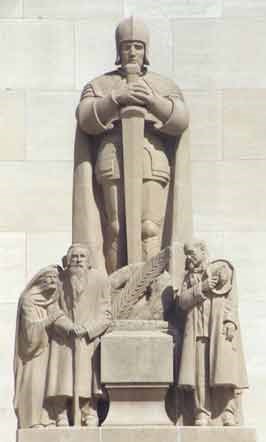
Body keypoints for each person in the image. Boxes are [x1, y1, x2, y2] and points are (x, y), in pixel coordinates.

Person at [73, 16, 190, 274]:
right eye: (126, 46)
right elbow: (85, 118)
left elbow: (180, 119)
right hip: (112, 158)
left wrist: (152, 100)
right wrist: (116, 97)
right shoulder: (100, 85)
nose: (132, 51)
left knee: (149, 228)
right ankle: (117, 293)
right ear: (118, 49)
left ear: (146, 50)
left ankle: (146, 295)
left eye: (138, 46)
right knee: (115, 228)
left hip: (151, 158)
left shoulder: (163, 85)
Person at [176, 240, 248, 426]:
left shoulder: (219, 269)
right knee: (199, 373)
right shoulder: (189, 278)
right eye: (186, 255)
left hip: (218, 327)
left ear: (203, 251)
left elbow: (231, 298)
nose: (189, 258)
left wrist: (230, 320)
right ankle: (202, 412)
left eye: (192, 253)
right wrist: (203, 287)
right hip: (198, 331)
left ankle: (227, 411)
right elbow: (183, 301)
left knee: (224, 369)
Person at [45, 244, 111, 427]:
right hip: (64, 339)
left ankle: (89, 410)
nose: (78, 259)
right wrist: (68, 327)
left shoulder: (100, 280)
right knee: (62, 377)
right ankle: (61, 413)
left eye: (82, 256)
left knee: (88, 378)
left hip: (88, 339)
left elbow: (106, 313)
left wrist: (88, 329)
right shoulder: (59, 280)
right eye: (74, 256)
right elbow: (52, 308)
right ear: (68, 260)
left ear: (89, 262)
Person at [13, 266, 64, 428]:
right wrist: (50, 320)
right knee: (35, 381)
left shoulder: (54, 298)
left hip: (50, 348)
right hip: (34, 351)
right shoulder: (29, 299)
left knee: (49, 381)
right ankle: (31, 419)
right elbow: (30, 331)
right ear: (40, 280)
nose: (51, 281)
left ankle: (46, 416)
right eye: (48, 278)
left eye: (55, 278)